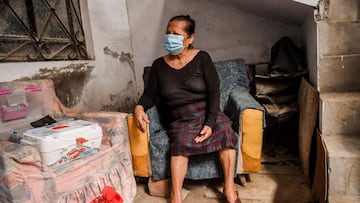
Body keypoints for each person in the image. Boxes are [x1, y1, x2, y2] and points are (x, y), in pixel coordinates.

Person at [134, 15, 241, 203]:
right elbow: (149, 95)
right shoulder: (159, 65)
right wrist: (139, 107)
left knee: (225, 131)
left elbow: (214, 92)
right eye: (168, 33)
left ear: (190, 38)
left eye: (175, 34)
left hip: (206, 111)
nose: (169, 37)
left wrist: (210, 122)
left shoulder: (202, 58)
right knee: (179, 144)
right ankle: (176, 196)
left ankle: (229, 189)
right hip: (179, 117)